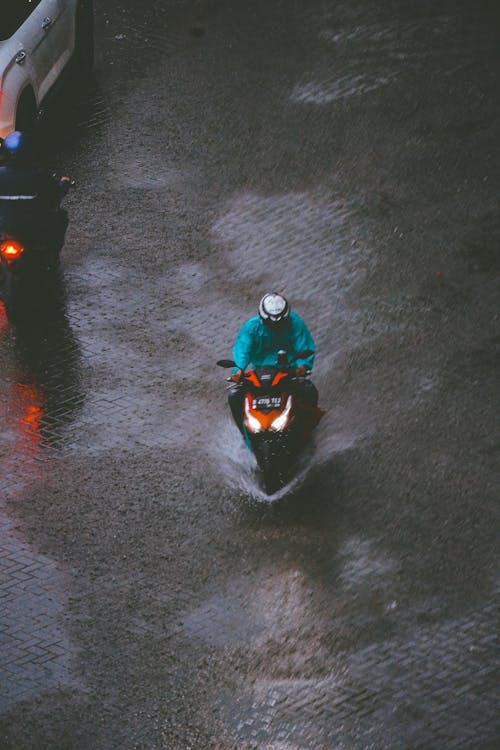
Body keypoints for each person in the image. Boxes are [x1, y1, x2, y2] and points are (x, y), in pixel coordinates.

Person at [228, 292, 319, 434]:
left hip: (287, 372)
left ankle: (306, 430)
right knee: (234, 396)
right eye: (271, 324)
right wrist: (238, 370)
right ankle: (244, 431)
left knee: (309, 391)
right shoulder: (251, 328)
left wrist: (303, 366)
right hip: (260, 375)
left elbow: (304, 346)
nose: (275, 327)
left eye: (279, 323)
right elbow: (242, 349)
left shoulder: (295, 323)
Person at [0, 130, 72, 261]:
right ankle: (52, 255)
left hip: (4, 231)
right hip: (32, 231)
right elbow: (55, 195)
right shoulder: (39, 175)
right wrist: (65, 183)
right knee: (61, 217)